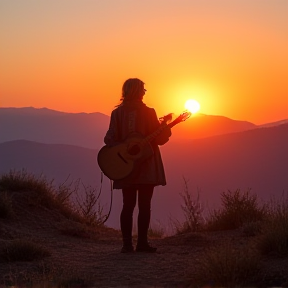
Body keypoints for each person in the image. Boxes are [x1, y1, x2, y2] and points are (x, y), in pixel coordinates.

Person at [104, 78, 171, 253]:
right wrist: (165, 127)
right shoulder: (149, 112)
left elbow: (109, 139)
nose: (144, 92)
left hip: (124, 167)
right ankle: (142, 244)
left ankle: (127, 245)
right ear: (137, 91)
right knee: (144, 205)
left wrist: (122, 150)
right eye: (143, 89)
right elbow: (160, 139)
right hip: (147, 165)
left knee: (127, 205)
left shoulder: (117, 114)